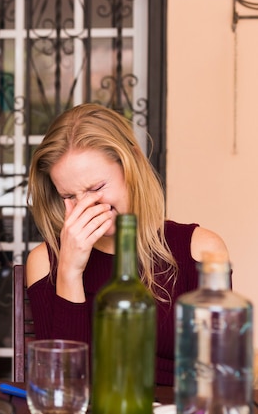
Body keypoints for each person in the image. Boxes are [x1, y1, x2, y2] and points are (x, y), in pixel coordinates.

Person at [25, 103, 229, 386]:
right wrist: (69, 272)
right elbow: (63, 387)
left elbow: (216, 380)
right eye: (69, 196)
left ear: (131, 166)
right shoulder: (46, 262)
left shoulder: (201, 249)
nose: (87, 205)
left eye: (96, 188)